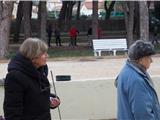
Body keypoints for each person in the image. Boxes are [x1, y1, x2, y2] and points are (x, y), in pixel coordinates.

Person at [3, 38, 60, 120]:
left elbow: (35, 94)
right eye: (43, 53)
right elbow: (12, 111)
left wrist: (51, 99)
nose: (47, 56)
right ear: (33, 55)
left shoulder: (40, 70)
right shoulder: (15, 77)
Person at [115, 40, 160, 120]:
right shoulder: (137, 80)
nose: (151, 61)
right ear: (141, 59)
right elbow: (142, 113)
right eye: (149, 57)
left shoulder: (126, 71)